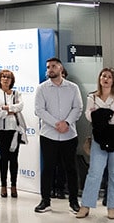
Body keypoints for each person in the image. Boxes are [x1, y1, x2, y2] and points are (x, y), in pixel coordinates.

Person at [76, 68, 114, 220]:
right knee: (94, 172)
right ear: (99, 79)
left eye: (109, 77)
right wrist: (109, 114)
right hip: (99, 136)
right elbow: (89, 116)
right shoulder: (92, 97)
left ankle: (112, 207)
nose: (106, 79)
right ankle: (85, 205)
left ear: (113, 80)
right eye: (103, 76)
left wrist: (100, 115)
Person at [33, 57, 82, 214]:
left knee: (71, 169)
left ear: (61, 68)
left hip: (69, 135)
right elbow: (39, 110)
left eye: (53, 66)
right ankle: (45, 201)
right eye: (48, 67)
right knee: (48, 168)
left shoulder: (73, 88)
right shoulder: (42, 88)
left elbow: (78, 107)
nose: (50, 69)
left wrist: (66, 123)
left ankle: (73, 202)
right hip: (49, 135)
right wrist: (56, 124)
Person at [0, 69, 24, 199]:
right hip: (0, 130)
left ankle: (14, 186)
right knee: (3, 157)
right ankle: (3, 186)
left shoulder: (16, 93)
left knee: (14, 158)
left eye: (8, 77)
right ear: (0, 79)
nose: (5, 79)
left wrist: (7, 108)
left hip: (14, 130)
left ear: (12, 80)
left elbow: (20, 106)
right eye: (3, 77)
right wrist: (9, 111)